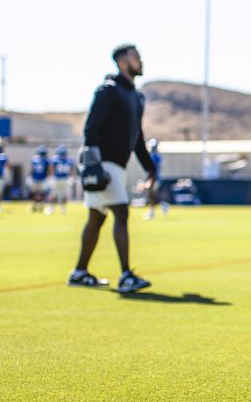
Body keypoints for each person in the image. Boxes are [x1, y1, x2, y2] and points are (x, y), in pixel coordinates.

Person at [69, 43, 157, 293]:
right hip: (103, 164)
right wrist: (93, 165)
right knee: (121, 212)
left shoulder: (137, 97)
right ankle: (126, 275)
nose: (140, 61)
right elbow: (91, 127)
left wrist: (151, 168)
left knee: (96, 219)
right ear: (121, 62)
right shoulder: (109, 90)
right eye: (135, 58)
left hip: (118, 165)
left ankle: (79, 272)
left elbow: (137, 137)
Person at [143, 138, 169, 220]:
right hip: (154, 178)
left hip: (154, 178)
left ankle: (153, 212)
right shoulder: (156, 156)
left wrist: (149, 179)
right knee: (153, 195)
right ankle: (161, 206)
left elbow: (153, 170)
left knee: (152, 196)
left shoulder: (154, 157)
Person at [47, 145, 74, 215]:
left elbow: (51, 169)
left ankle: (51, 208)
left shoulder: (54, 159)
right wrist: (71, 178)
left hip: (57, 178)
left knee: (53, 194)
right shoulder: (69, 160)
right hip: (65, 179)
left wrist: (50, 177)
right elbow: (71, 171)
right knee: (64, 194)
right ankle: (63, 209)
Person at [28, 145, 51, 212]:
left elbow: (32, 169)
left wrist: (30, 176)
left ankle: (35, 206)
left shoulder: (34, 159)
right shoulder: (46, 160)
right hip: (42, 178)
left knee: (35, 193)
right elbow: (49, 170)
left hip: (36, 178)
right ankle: (40, 206)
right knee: (41, 193)